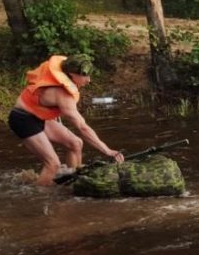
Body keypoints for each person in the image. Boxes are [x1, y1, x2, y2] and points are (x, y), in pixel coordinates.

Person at [8, 54, 124, 186]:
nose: (89, 80)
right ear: (71, 74)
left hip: (38, 116)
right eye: (85, 76)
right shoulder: (63, 95)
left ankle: (74, 182)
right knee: (53, 164)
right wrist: (107, 150)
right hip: (23, 119)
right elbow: (82, 127)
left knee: (76, 144)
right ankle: (39, 198)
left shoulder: (65, 81)